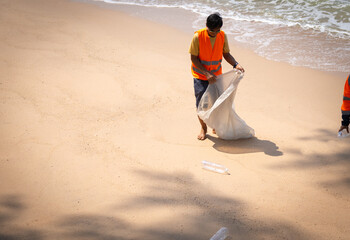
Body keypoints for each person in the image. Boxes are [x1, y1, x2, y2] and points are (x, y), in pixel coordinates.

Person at [189, 13, 245, 140]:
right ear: (206, 26)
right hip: (200, 76)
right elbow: (193, 58)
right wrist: (206, 73)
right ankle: (203, 128)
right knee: (201, 105)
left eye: (217, 30)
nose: (214, 33)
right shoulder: (198, 37)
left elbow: (226, 54)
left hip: (216, 76)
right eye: (212, 31)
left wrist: (236, 64)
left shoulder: (222, 35)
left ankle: (215, 124)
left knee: (217, 103)